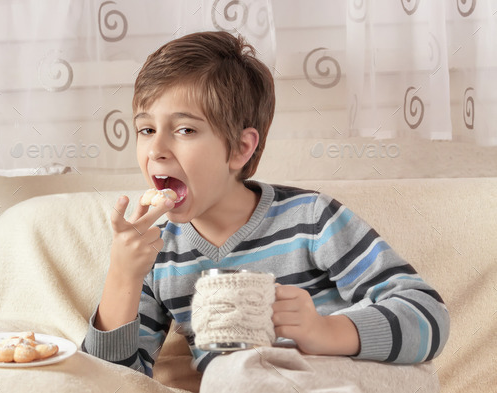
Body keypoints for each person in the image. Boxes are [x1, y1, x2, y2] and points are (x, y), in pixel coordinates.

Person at [82, 31, 450, 377]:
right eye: (146, 129)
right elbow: (111, 381)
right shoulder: (156, 257)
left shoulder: (311, 219)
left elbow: (429, 316)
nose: (157, 150)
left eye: (185, 130)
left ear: (241, 148)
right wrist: (122, 275)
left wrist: (324, 331)